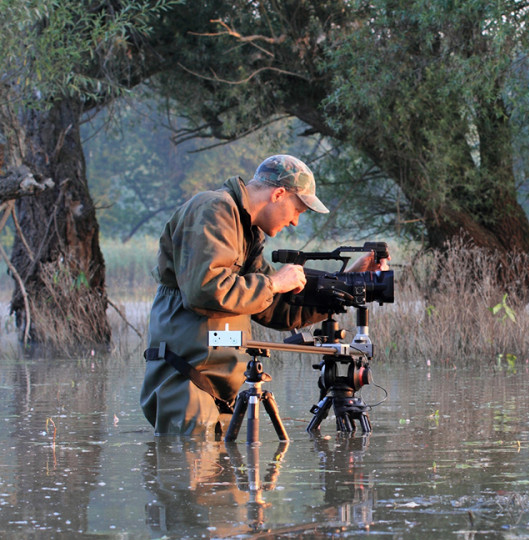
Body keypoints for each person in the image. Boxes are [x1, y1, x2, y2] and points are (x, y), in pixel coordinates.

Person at [140, 154, 387, 436]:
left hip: (214, 390)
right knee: (191, 469)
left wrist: (349, 283)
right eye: (298, 209)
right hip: (185, 380)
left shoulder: (247, 232)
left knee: (220, 475)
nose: (295, 221)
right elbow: (205, 290)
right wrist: (273, 284)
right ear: (279, 194)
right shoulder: (214, 209)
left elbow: (278, 308)